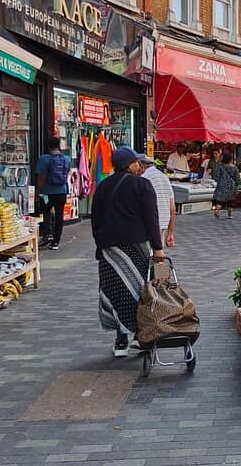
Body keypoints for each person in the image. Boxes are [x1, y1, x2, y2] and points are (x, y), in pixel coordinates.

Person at [91, 147, 164, 357]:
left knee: (114, 291)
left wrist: (100, 244)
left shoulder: (103, 186)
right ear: (130, 164)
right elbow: (151, 217)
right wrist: (157, 247)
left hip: (109, 248)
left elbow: (96, 219)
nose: (140, 166)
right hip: (135, 245)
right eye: (137, 162)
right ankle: (139, 336)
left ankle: (120, 339)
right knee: (139, 291)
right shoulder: (142, 185)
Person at [35, 137, 71, 250]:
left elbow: (42, 177)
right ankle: (56, 241)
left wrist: (38, 192)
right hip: (62, 192)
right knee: (59, 215)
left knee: (46, 213)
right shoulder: (66, 159)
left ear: (48, 146)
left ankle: (47, 235)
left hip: (47, 193)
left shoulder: (44, 159)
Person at [142, 159, 176, 247]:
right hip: (163, 222)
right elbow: (172, 208)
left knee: (147, 255)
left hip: (148, 224)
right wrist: (171, 233)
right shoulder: (165, 178)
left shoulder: (144, 177)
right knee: (158, 253)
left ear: (142, 166)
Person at [211, 153, 240, 219]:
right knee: (230, 201)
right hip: (231, 186)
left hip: (221, 185)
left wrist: (219, 181)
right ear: (230, 159)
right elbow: (237, 179)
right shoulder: (235, 168)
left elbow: (216, 177)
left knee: (220, 201)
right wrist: (237, 187)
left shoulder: (220, 167)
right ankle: (230, 215)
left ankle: (217, 210)